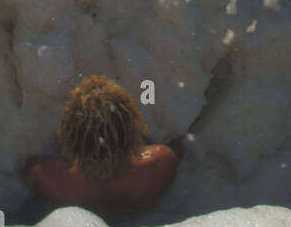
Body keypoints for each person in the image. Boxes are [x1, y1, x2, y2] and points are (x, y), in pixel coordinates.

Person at [23, 75, 181, 214]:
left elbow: (32, 168)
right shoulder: (160, 164)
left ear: (69, 135)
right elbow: (175, 149)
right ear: (132, 131)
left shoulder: (50, 181)